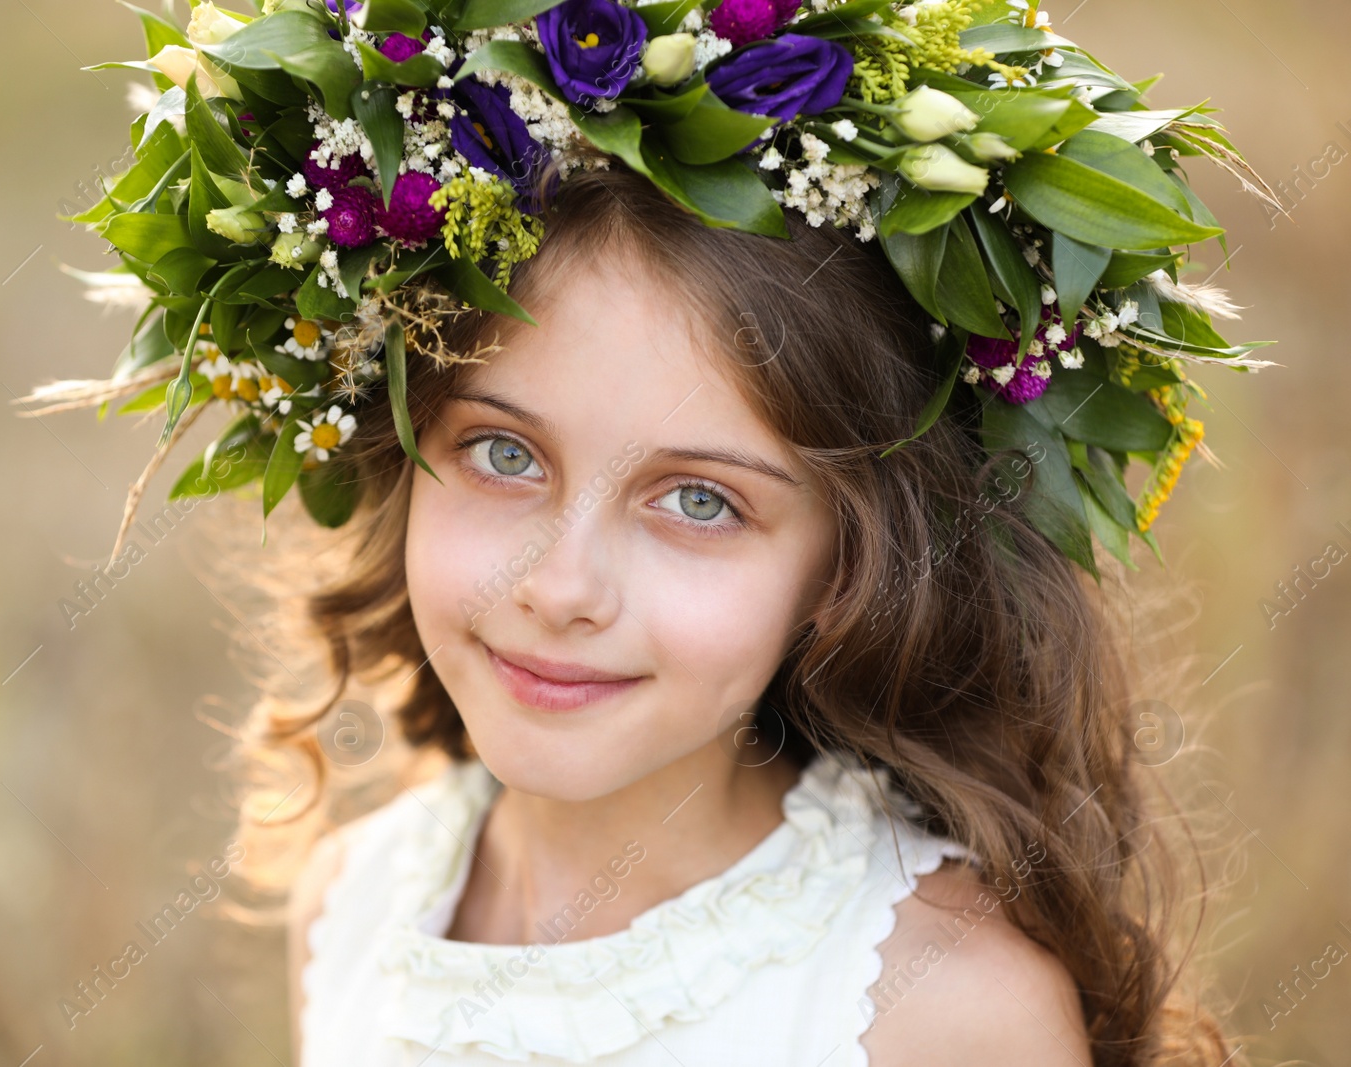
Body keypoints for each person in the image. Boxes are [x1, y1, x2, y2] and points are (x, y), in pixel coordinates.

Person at [246, 170, 1221, 1066]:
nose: (560, 586)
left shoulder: (940, 1007)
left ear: (845, 562)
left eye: (700, 501)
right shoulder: (352, 902)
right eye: (504, 453)